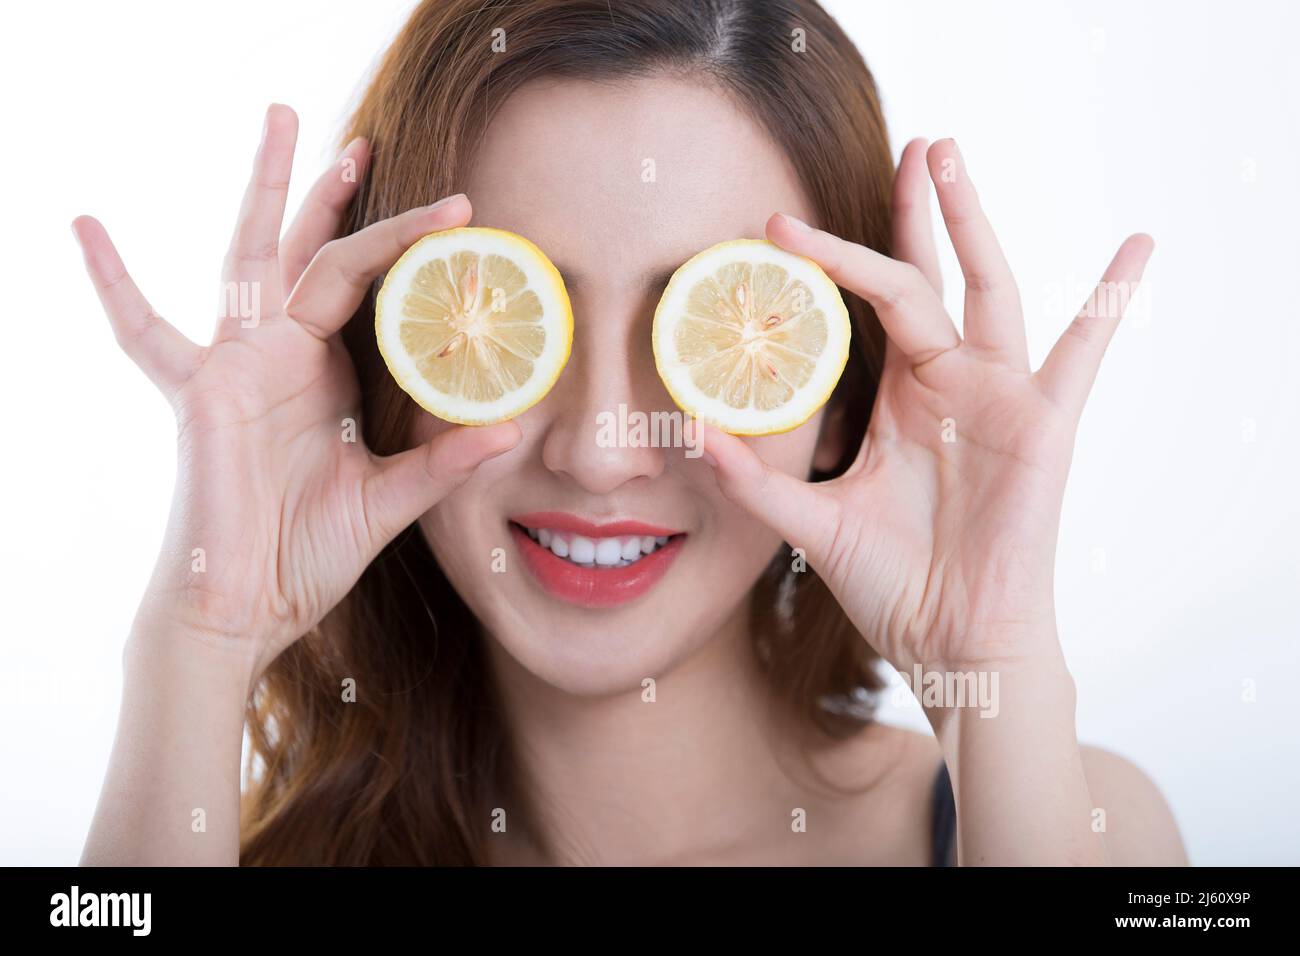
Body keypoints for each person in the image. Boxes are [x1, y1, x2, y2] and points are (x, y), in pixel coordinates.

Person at [73, 0, 1187, 865]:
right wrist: (195, 645)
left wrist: (994, 676)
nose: (601, 448)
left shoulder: (1079, 821)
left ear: (844, 390)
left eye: (704, 328)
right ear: (382, 368)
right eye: (512, 317)